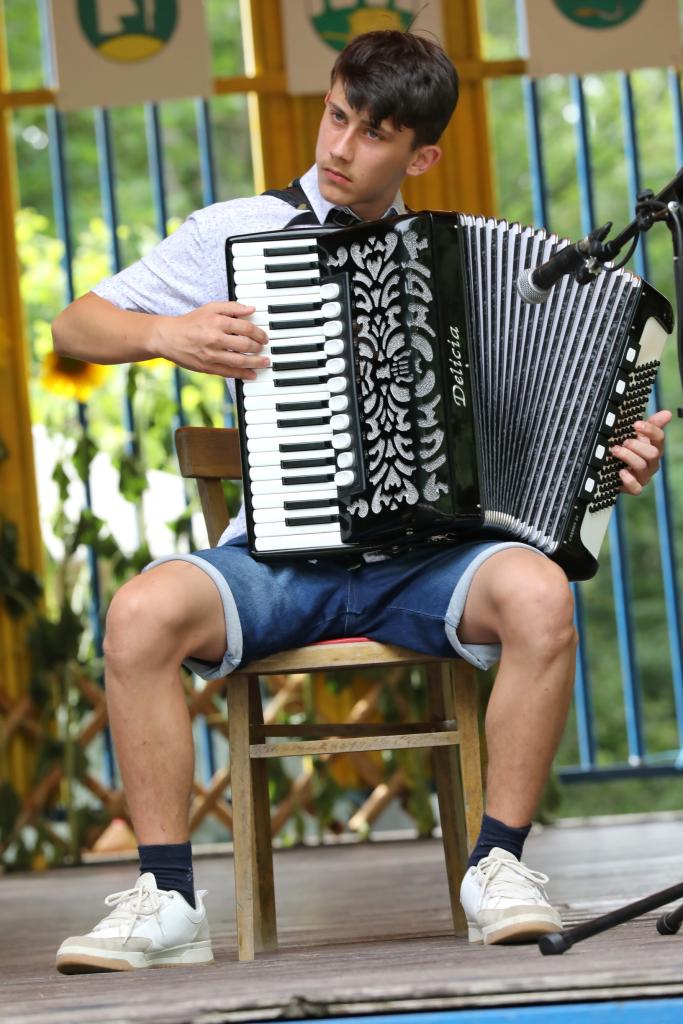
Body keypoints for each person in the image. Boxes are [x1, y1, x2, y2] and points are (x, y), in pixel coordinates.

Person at [51, 29, 671, 973]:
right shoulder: (237, 232)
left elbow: (549, 423)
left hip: (427, 565)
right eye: (336, 117)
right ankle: (167, 898)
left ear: (420, 156)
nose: (340, 148)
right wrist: (165, 333)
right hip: (276, 561)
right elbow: (75, 326)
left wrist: (612, 454)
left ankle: (497, 868)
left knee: (542, 596)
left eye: (373, 134)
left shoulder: (468, 265)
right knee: (137, 616)